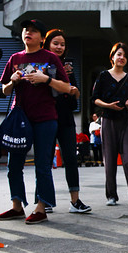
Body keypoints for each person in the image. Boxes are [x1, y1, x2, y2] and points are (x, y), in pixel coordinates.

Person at [0, 18, 71, 224]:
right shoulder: (14, 58)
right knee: (14, 166)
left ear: (41, 38)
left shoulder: (50, 57)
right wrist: (12, 81)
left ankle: (41, 207)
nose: (27, 33)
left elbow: (66, 87)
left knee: (42, 165)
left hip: (45, 118)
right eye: (26, 30)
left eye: (33, 31)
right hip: (19, 119)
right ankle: (16, 205)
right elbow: (4, 90)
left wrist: (45, 79)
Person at [91, 42, 128, 207]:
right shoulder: (103, 76)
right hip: (108, 120)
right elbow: (94, 98)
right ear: (112, 57)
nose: (121, 57)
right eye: (118, 54)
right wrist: (107, 106)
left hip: (126, 121)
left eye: (124, 55)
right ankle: (111, 196)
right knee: (109, 160)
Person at [42, 29, 91, 213]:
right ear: (47, 44)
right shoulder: (41, 65)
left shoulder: (68, 67)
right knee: (44, 160)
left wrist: (75, 93)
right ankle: (43, 200)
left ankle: (75, 201)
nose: (59, 47)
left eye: (62, 44)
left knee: (71, 158)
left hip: (65, 119)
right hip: (45, 117)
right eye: (56, 43)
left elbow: (72, 98)